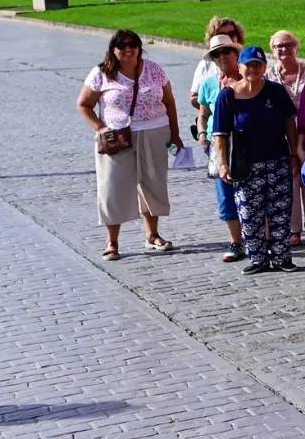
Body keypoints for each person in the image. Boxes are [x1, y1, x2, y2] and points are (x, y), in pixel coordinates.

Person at [78, 30, 179, 259]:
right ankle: (112, 242)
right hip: (117, 138)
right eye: (122, 45)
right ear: (113, 48)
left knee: (153, 184)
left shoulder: (154, 69)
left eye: (133, 44)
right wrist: (101, 128)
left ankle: (152, 235)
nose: (128, 49)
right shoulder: (102, 73)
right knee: (113, 188)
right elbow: (84, 104)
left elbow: (169, 101)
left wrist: (175, 133)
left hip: (154, 131)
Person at [211, 46, 300, 274]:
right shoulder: (228, 96)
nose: (253, 69)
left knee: (280, 212)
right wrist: (223, 164)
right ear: (240, 66)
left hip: (277, 160)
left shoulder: (275, 91)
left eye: (258, 65)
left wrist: (293, 154)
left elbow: (290, 122)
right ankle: (258, 258)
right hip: (245, 165)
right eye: (248, 65)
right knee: (250, 214)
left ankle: (282, 257)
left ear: (264, 68)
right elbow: (219, 134)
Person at [269, 30, 305, 245]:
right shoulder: (269, 75)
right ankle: (294, 230)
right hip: (282, 134)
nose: (284, 49)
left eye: (288, 44)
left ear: (296, 46)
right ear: (273, 50)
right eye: (279, 46)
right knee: (289, 181)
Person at [197, 35, 249, 263]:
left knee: (253, 191)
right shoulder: (209, 83)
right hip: (218, 144)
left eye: (226, 51)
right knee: (226, 194)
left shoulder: (251, 77)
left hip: (247, 142)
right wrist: (201, 134)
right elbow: (203, 114)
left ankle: (259, 239)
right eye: (216, 54)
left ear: (236, 53)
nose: (222, 57)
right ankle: (236, 243)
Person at [189, 15, 245, 98]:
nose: (227, 38)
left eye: (232, 34)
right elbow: (194, 96)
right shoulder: (205, 64)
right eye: (221, 35)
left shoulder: (248, 61)